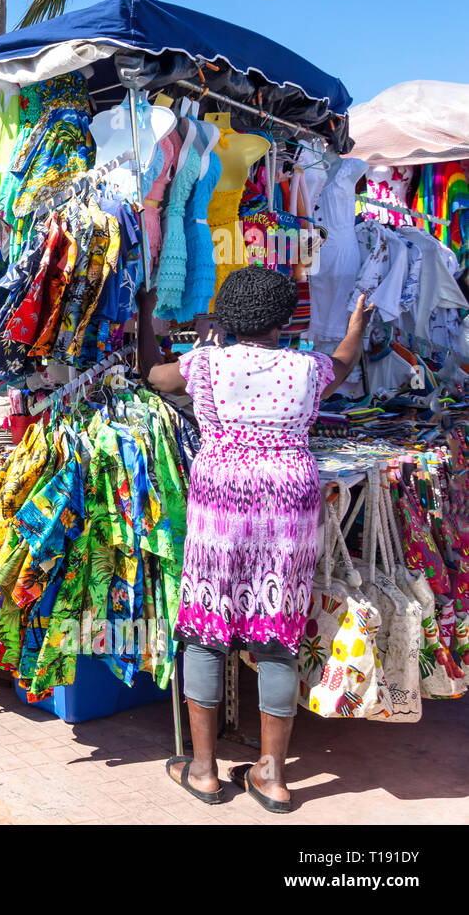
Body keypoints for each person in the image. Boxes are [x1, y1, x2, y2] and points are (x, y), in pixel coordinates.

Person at [138, 265, 373, 813]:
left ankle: (202, 770)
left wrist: (146, 317)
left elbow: (152, 373)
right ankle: (271, 776)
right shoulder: (306, 369)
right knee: (276, 632)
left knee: (205, 628)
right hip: (288, 498)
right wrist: (357, 324)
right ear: (284, 318)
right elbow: (343, 362)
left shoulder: (208, 363)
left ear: (228, 314)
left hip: (221, 493)